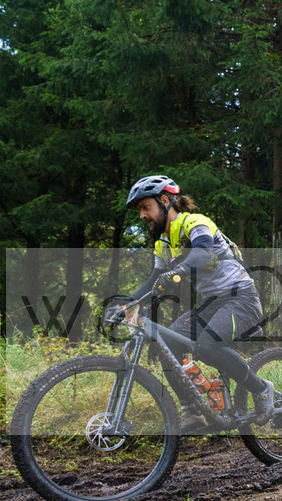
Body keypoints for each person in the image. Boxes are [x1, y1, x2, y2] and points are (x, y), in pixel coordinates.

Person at [117, 175, 273, 432]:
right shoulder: (163, 243)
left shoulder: (195, 222)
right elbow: (153, 280)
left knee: (207, 347)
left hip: (241, 297)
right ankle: (192, 411)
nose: (142, 215)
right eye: (140, 210)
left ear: (165, 201)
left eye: (145, 207)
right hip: (215, 302)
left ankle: (262, 389)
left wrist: (177, 271)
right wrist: (126, 303)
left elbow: (201, 252)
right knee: (166, 342)